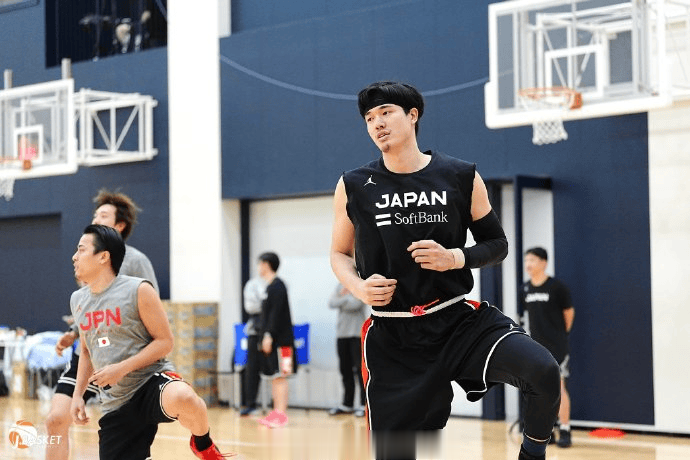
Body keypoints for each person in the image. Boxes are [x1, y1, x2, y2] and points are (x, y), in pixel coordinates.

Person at [329, 81, 561, 460]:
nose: (377, 123)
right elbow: (339, 253)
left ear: (413, 115)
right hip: (394, 337)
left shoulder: (459, 175)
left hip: (457, 322)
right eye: (369, 118)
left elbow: (497, 244)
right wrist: (358, 287)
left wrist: (455, 257)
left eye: (386, 112)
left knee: (543, 371)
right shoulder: (353, 185)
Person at [68, 224, 231, 459]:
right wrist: (78, 395)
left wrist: (121, 368)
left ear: (103, 256)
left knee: (185, 397)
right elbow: (86, 351)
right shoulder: (78, 300)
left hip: (150, 382)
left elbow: (165, 342)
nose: (75, 256)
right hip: (115, 401)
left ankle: (203, 444)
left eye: (81, 249)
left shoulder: (138, 289)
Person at [46, 189, 160, 460]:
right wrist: (74, 333)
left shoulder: (136, 261)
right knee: (55, 419)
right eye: (95, 214)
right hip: (89, 353)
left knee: (128, 444)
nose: (96, 219)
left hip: (123, 360)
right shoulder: (87, 258)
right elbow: (91, 311)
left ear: (120, 225)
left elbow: (152, 314)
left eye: (104, 215)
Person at [522, 247, 575, 448]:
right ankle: (547, 431)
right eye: (526, 260)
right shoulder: (524, 289)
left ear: (543, 263)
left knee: (559, 388)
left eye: (532, 260)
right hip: (535, 348)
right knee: (539, 391)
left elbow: (569, 314)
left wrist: (559, 336)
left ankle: (565, 429)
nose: (528, 264)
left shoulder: (557, 287)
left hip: (557, 346)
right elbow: (523, 317)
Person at [256, 252, 297, 428]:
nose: (258, 267)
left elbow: (276, 315)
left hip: (283, 343)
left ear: (266, 264)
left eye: (260, 264)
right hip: (274, 341)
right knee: (275, 377)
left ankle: (281, 414)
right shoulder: (269, 287)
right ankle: (276, 412)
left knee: (281, 376)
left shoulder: (278, 286)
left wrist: (268, 335)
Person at [328, 283, 368, 417]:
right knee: (345, 370)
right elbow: (331, 303)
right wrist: (348, 297)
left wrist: (343, 297)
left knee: (360, 370)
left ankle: (363, 405)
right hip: (342, 334)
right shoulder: (340, 286)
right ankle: (347, 404)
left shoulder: (360, 283)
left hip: (356, 334)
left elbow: (356, 304)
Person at [239, 276, 266, 416]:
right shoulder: (254, 284)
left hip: (271, 331)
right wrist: (266, 303)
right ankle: (250, 404)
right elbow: (250, 307)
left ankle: (277, 408)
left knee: (276, 373)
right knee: (252, 368)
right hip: (255, 332)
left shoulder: (278, 285)